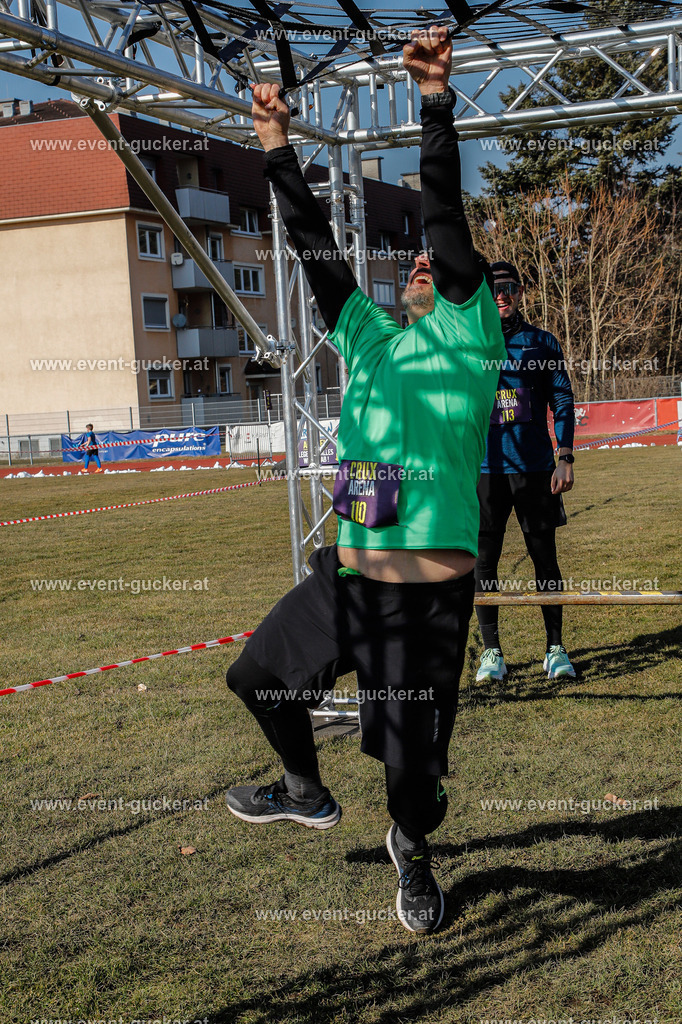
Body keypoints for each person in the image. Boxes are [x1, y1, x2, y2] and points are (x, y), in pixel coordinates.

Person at [224, 26, 505, 935]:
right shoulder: (369, 339)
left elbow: (446, 219)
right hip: (348, 579)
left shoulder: (470, 338)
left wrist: (432, 102)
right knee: (258, 676)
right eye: (414, 262)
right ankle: (305, 788)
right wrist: (275, 145)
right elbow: (311, 245)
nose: (424, 263)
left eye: (437, 266)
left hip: (426, 604)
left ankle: (414, 851)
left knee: (411, 782)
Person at [475, 260, 576, 683]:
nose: (502, 295)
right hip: (483, 471)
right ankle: (492, 653)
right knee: (484, 560)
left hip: (536, 469)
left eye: (510, 288)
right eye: (495, 288)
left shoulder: (542, 343)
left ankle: (555, 649)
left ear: (521, 293)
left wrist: (565, 455)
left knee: (543, 557)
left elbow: (563, 399)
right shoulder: (471, 345)